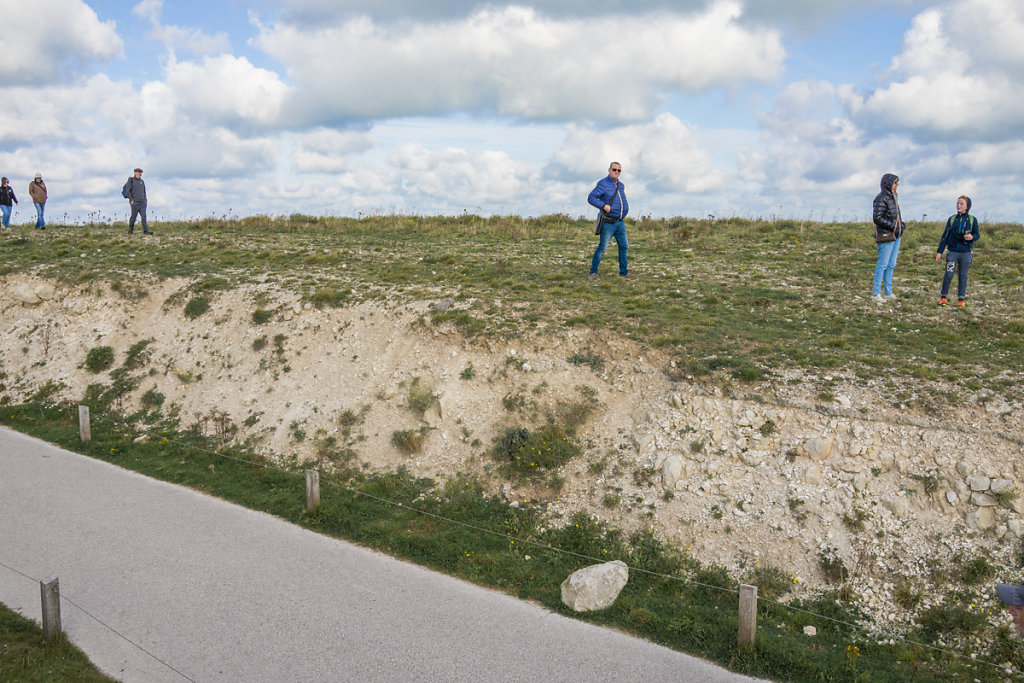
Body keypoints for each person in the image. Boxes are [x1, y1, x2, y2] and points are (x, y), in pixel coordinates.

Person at [587, 161, 634, 281]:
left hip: (620, 223)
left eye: (619, 170)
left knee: (624, 247)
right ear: (609, 170)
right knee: (602, 248)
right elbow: (591, 198)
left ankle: (624, 273)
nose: (617, 172)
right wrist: (603, 206)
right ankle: (593, 272)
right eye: (614, 170)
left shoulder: (621, 185)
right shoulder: (603, 184)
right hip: (608, 223)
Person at [935, 195, 979, 307]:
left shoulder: (973, 220)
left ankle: (961, 300)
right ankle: (943, 297)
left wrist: (972, 237)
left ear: (967, 206)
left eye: (961, 204)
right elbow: (945, 236)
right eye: (957, 203)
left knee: (963, 276)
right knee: (949, 275)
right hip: (952, 252)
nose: (958, 205)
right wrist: (939, 251)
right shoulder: (952, 219)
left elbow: (977, 234)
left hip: (966, 253)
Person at [871, 173, 905, 303]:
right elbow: (877, 218)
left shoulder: (893, 198)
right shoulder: (881, 198)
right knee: (882, 264)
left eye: (897, 183)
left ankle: (888, 292)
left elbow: (896, 216)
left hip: (896, 236)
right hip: (886, 236)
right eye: (895, 183)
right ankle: (876, 293)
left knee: (891, 264)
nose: (897, 186)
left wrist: (901, 226)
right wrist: (894, 227)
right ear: (888, 183)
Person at [123, 167, 149, 234]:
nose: (140, 174)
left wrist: (145, 200)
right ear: (135, 172)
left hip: (142, 202)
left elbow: (144, 191)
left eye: (141, 172)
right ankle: (130, 230)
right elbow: (128, 191)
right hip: (134, 202)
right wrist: (131, 200)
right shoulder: (131, 180)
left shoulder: (142, 181)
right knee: (133, 217)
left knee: (144, 216)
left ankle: (145, 231)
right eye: (138, 172)